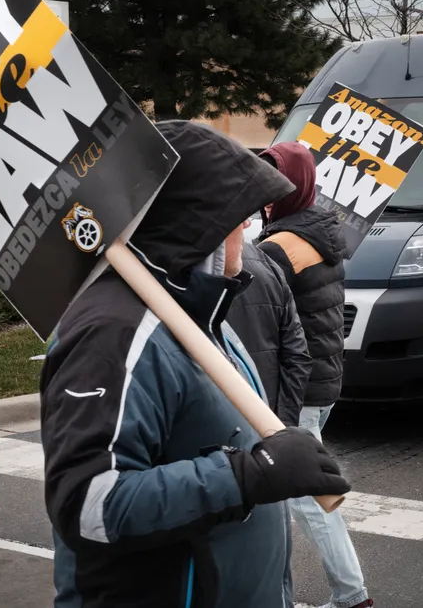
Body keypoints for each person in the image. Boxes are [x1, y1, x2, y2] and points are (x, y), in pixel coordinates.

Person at [42, 121, 351, 608]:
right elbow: (88, 505)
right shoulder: (112, 332)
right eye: (237, 215)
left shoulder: (204, 317)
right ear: (197, 224)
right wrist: (246, 476)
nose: (248, 228)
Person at [257, 142, 371, 608]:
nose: (265, 195)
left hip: (298, 383)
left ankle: (352, 596)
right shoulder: (319, 228)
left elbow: (249, 294)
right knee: (296, 492)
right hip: (322, 378)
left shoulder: (283, 244)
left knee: (305, 495)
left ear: (295, 186)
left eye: (274, 185)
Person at [225, 228, 312, 427]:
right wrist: (283, 426)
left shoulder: (164, 271)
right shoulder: (266, 263)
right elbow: (297, 356)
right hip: (265, 419)